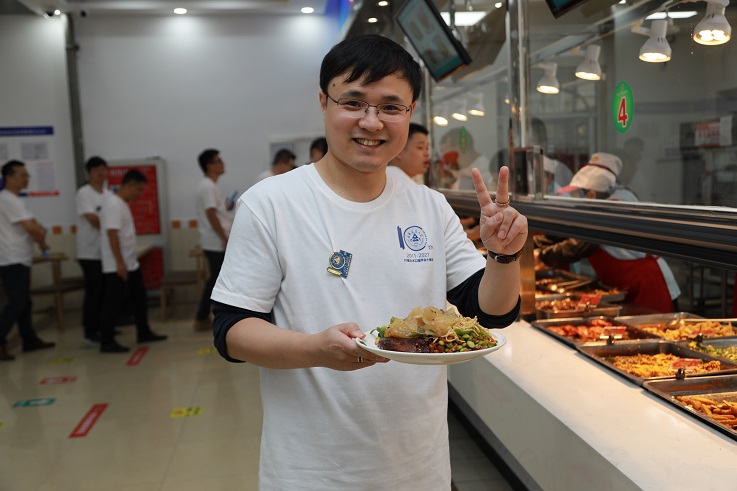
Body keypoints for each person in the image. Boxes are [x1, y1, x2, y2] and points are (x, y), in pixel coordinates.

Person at [210, 34, 527, 490]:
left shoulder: (428, 205)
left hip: (420, 467)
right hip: (312, 472)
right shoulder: (271, 204)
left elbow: (490, 311)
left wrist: (502, 254)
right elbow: (231, 330)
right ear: (324, 102)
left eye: (390, 107)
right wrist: (316, 349)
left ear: (410, 113)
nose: (371, 122)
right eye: (354, 102)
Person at [536, 152, 680, 312]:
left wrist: (541, 257)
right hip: (622, 286)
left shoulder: (617, 203)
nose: (573, 198)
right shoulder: (598, 204)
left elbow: (584, 242)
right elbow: (570, 230)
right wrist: (536, 243)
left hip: (647, 285)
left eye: (576, 193)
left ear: (591, 195)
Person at [98, 169, 167, 353]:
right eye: (139, 189)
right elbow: (112, 234)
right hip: (117, 264)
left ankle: (143, 331)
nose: (140, 194)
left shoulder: (122, 203)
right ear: (129, 185)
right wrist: (119, 262)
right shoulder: (113, 204)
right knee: (112, 302)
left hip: (130, 262)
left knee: (139, 298)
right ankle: (106, 340)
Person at [0, 160, 56, 361]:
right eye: (22, 175)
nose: (26, 179)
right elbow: (32, 228)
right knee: (18, 302)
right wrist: (40, 238)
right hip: (11, 258)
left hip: (20, 257)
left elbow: (35, 223)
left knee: (25, 302)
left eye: (27, 175)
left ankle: (29, 339)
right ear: (9, 178)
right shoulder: (7, 199)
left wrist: (40, 235)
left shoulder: (17, 199)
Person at [193, 149, 233, 331]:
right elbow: (211, 214)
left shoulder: (210, 186)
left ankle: (203, 316)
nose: (222, 164)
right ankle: (201, 317)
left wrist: (226, 208)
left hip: (215, 240)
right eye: (218, 161)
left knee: (215, 279)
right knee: (216, 280)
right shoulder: (208, 186)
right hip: (215, 241)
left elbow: (215, 211)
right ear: (209, 166)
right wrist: (224, 238)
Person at [75, 156, 111, 343]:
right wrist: (112, 227)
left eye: (103, 169)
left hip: (106, 252)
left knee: (105, 292)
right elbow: (92, 219)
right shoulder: (84, 193)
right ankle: (90, 330)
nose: (100, 173)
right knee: (94, 292)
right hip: (89, 252)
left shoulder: (108, 194)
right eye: (96, 170)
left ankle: (104, 327)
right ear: (88, 173)